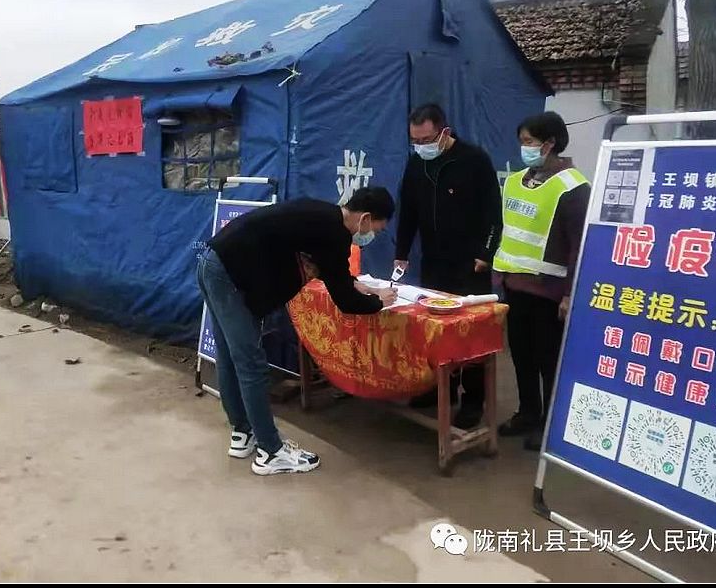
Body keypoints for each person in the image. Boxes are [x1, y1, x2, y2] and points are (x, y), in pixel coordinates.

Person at [196, 187, 398, 476]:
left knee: (229, 356)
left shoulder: (321, 213)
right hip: (230, 276)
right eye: (377, 228)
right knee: (251, 364)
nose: (373, 235)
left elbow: (331, 270)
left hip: (213, 262)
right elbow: (345, 301)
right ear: (365, 218)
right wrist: (379, 302)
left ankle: (242, 434)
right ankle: (271, 452)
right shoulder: (336, 233)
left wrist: (358, 285)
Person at [394, 104, 503, 429]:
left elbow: (493, 213)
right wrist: (401, 253)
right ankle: (439, 389)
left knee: (470, 334)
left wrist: (485, 254)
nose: (421, 146)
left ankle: (473, 400)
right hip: (434, 261)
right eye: (415, 140)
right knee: (436, 329)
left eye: (426, 139)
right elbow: (408, 211)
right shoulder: (417, 163)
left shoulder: (474, 160)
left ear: (444, 132)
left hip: (470, 263)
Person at [493, 111, 590, 451]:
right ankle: (527, 412)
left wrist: (570, 294)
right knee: (521, 355)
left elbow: (579, 247)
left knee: (549, 360)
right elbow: (508, 230)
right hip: (515, 286)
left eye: (529, 142)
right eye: (522, 142)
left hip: (550, 292)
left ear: (549, 144)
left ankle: (550, 422)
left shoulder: (573, 187)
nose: (525, 148)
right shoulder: (515, 181)